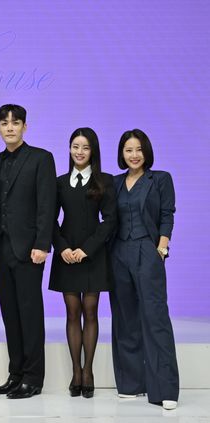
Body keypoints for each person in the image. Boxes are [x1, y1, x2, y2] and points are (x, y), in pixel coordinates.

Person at [0, 104, 56, 399]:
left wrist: (42, 244)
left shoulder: (41, 158)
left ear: (25, 126)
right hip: (0, 250)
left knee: (30, 313)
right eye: (4, 123)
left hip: (29, 250)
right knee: (10, 315)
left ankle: (33, 378)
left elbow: (47, 205)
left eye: (15, 123)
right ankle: (16, 374)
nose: (9, 127)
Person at [110, 129, 179, 410]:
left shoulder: (160, 179)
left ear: (146, 151)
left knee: (155, 318)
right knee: (124, 318)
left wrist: (161, 249)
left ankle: (165, 389)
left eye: (138, 149)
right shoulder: (114, 182)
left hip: (148, 251)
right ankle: (131, 384)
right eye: (128, 150)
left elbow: (166, 215)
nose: (134, 155)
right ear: (122, 154)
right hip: (118, 253)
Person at [49, 128, 117, 398]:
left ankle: (88, 372)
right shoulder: (59, 182)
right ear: (69, 149)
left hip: (93, 255)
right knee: (71, 313)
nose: (79, 152)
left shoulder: (105, 181)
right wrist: (62, 248)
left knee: (90, 312)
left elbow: (110, 220)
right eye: (75, 146)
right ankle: (75, 372)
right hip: (66, 255)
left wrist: (87, 249)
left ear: (93, 151)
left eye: (85, 147)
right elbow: (49, 220)